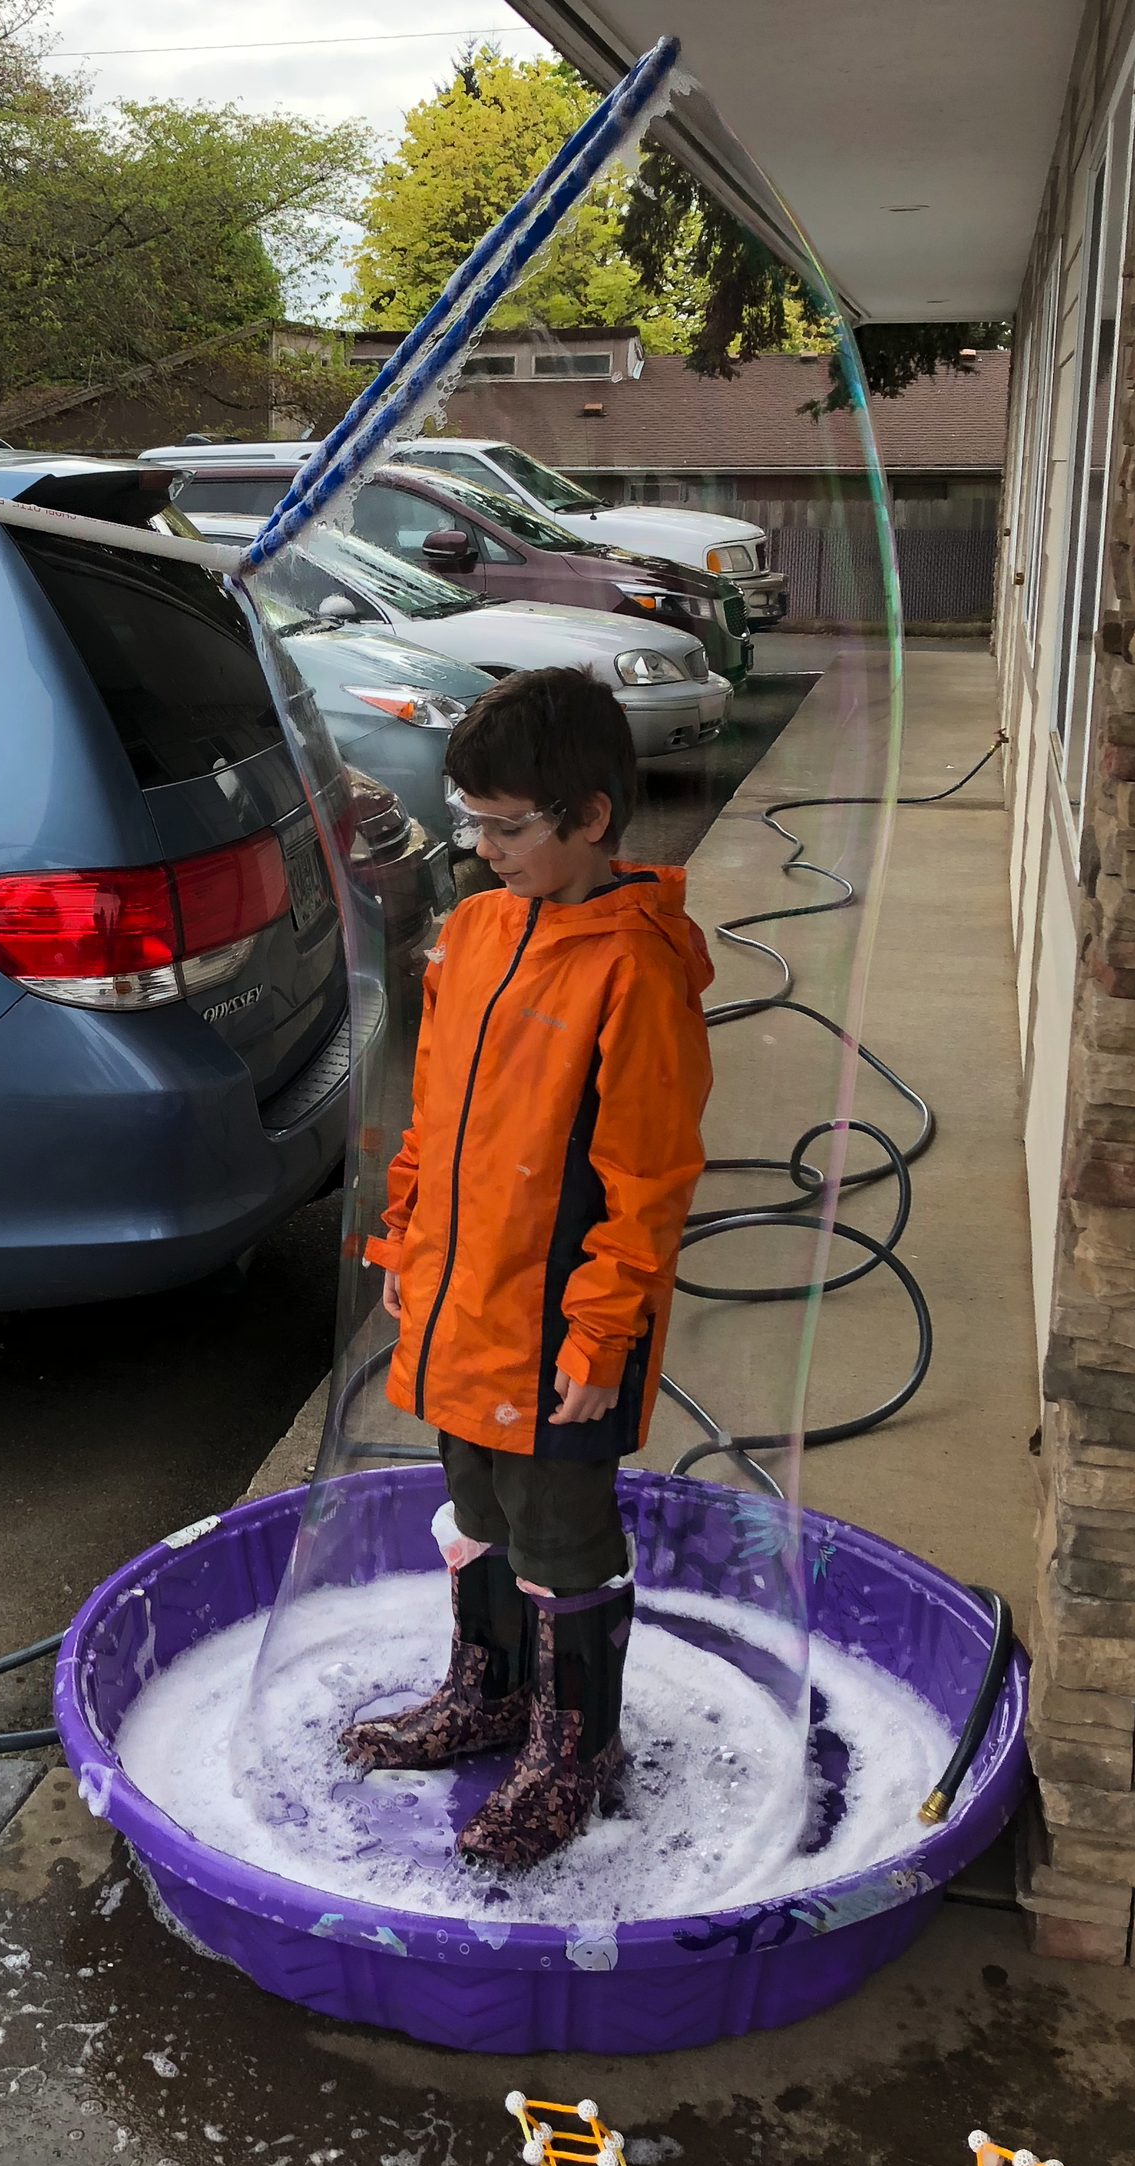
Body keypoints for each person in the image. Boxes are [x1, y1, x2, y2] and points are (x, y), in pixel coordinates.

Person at [340, 666, 713, 1871]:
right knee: (477, 1508)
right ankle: (486, 1695)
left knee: (561, 1534)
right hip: (459, 1302)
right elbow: (429, 1114)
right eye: (471, 822)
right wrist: (401, 1241)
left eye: (507, 826)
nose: (483, 848)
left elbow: (646, 1182)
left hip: (558, 1325)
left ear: (590, 817)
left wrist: (600, 1337)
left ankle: (575, 1744)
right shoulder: (478, 930)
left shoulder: (635, 969)